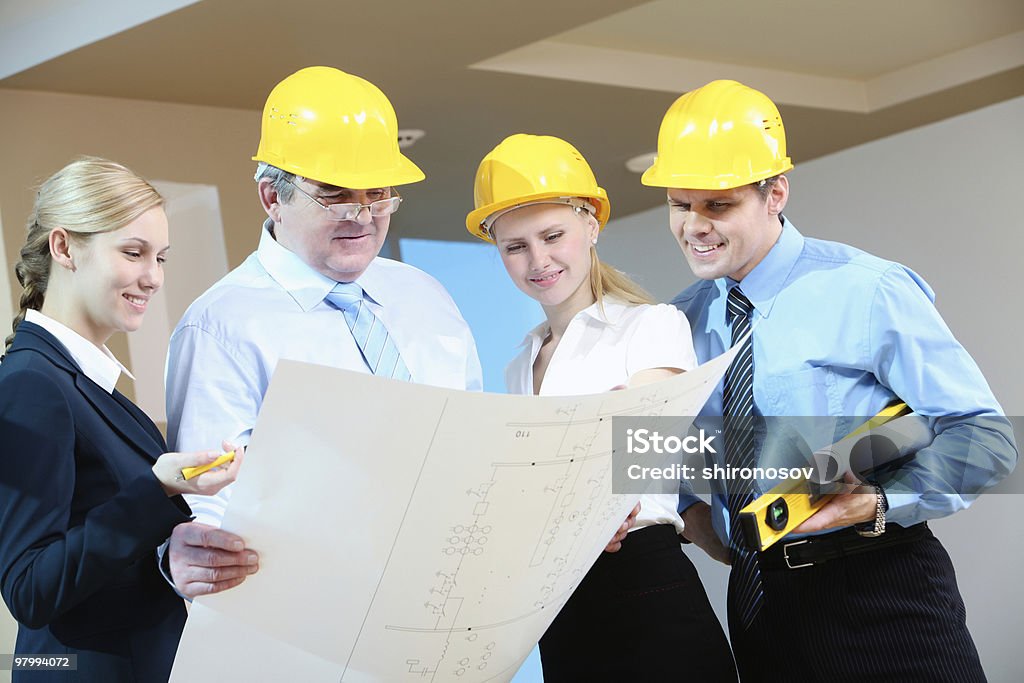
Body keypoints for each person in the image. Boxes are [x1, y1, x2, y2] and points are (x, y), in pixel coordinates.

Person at [641, 79, 1018, 681]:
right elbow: (675, 467)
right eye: (680, 205)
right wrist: (709, 530)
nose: (694, 226)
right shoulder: (679, 322)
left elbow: (987, 435)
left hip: (879, 594)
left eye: (718, 205)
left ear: (775, 193)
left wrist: (873, 504)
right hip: (759, 605)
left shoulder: (866, 288)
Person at [164, 66, 483, 599]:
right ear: (272, 197)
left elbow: (474, 439)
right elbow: (214, 507)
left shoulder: (426, 298)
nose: (363, 216)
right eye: (335, 195)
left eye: (378, 194)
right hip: (315, 606)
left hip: (446, 592)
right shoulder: (219, 326)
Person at [466, 133, 736, 681]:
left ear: (591, 225)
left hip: (643, 583)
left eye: (552, 235)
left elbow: (641, 449)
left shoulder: (652, 324)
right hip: (560, 600)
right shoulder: (521, 361)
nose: (537, 260)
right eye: (515, 247)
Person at [0, 157, 242, 682]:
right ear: (63, 248)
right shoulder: (32, 385)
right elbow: (29, 587)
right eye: (133, 253)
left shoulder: (91, 388)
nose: (152, 278)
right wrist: (156, 489)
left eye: (161, 258)